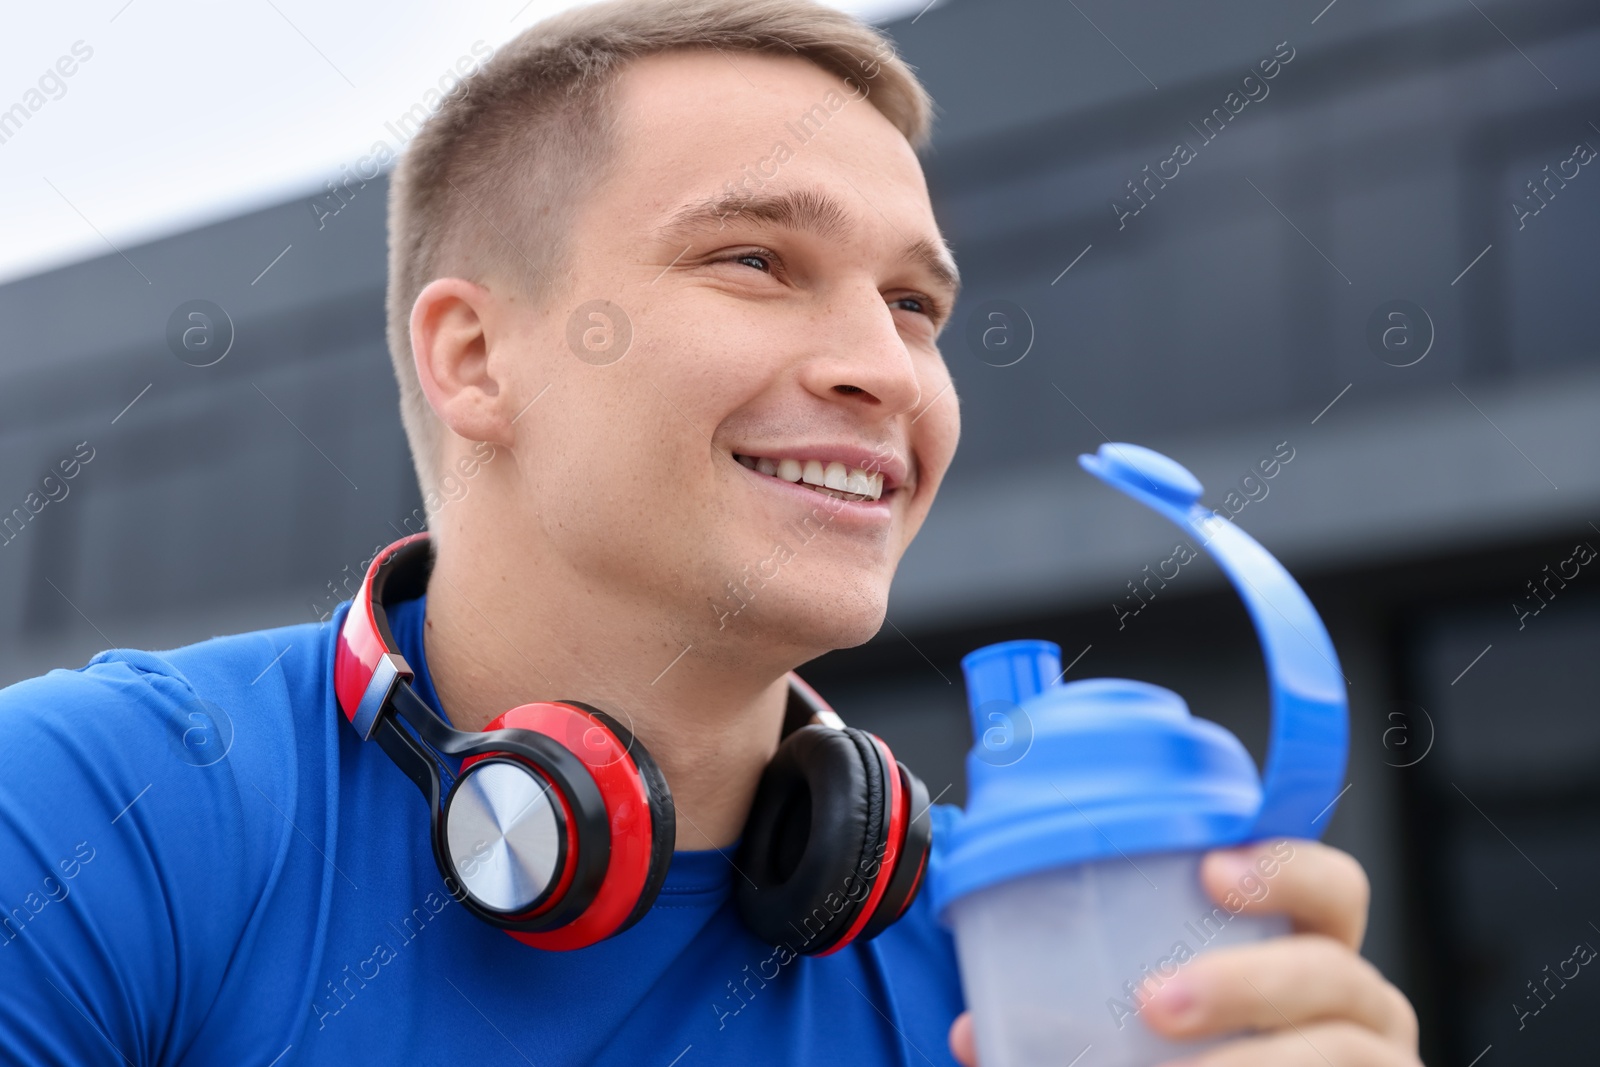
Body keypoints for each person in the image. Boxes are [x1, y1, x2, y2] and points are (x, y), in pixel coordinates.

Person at [0, 1, 1420, 1063]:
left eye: (915, 306)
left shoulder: (1025, 957)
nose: (888, 369)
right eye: (757, 261)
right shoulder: (89, 816)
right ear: (477, 359)